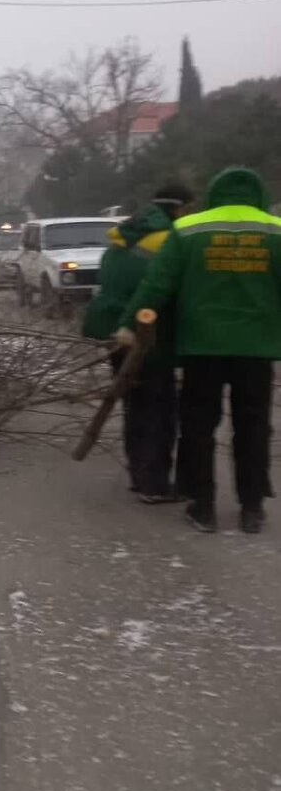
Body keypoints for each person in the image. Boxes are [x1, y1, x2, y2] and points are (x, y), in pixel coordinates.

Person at [118, 167, 281, 534]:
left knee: (199, 426)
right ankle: (251, 508)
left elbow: (156, 283)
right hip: (256, 350)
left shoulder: (189, 229)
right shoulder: (275, 230)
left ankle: (202, 506)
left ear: (214, 193)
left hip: (202, 348)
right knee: (253, 427)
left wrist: (129, 325)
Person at [83, 184, 195, 501]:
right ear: (179, 208)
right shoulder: (167, 239)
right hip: (145, 333)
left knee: (135, 403)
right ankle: (154, 484)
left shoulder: (126, 231)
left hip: (112, 329)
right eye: (188, 208)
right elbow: (162, 288)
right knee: (158, 407)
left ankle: (139, 475)